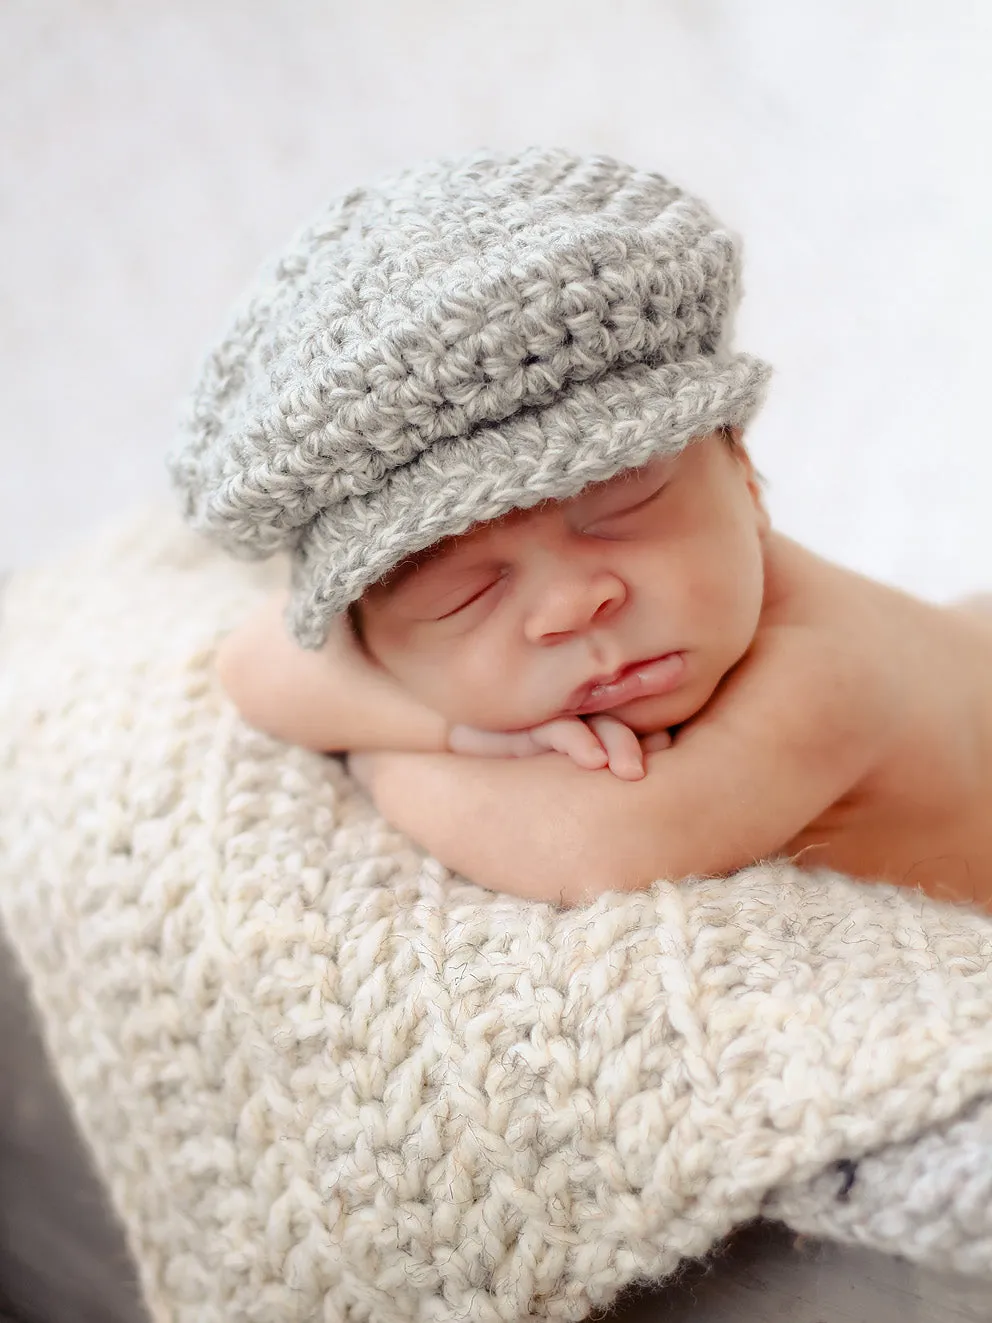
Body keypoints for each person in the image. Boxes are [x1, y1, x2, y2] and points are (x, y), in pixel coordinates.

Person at [170, 148, 992, 911]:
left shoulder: (830, 675)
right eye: (468, 593)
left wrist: (385, 756)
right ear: (368, 634)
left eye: (622, 512)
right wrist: (456, 729)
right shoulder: (398, 636)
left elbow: (592, 848)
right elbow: (253, 663)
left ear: (743, 476)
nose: (573, 603)